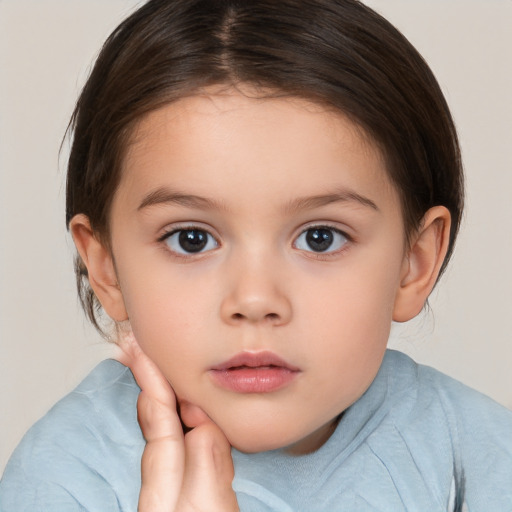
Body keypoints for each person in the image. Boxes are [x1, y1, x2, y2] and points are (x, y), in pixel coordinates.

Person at [1, 0, 511, 510]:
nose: (255, 299)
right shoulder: (66, 475)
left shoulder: (476, 455)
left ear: (414, 263)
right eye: (191, 239)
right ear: (106, 267)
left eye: (320, 238)